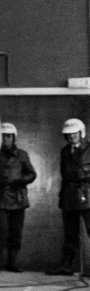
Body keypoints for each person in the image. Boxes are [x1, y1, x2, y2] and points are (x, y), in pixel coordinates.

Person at [0, 122, 36, 272]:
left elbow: (32, 174)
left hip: (18, 197)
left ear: (14, 138)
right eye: (3, 137)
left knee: (16, 231)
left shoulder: (22, 155)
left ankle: (12, 262)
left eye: (9, 136)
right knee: (1, 229)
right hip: (0, 196)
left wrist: (21, 181)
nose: (6, 140)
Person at [52, 117, 90, 276]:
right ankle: (66, 266)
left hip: (87, 193)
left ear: (81, 133)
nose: (71, 137)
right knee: (70, 233)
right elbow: (64, 174)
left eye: (74, 134)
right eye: (68, 134)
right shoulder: (65, 151)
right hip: (69, 195)